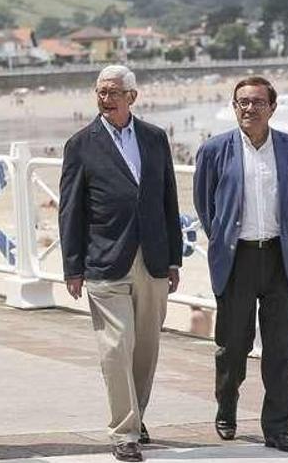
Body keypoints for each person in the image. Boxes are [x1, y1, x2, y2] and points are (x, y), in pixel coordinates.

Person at [58, 65, 183, 462]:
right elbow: (70, 209)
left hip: (153, 260)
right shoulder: (81, 144)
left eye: (113, 92)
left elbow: (169, 201)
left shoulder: (154, 138)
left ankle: (137, 416)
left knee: (145, 348)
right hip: (103, 261)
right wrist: (72, 266)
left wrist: (174, 259)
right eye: (100, 91)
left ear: (133, 96)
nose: (106, 98)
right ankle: (123, 432)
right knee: (115, 347)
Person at [192, 76, 288, 453]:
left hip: (279, 256)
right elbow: (205, 205)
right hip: (236, 258)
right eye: (242, 102)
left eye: (257, 102)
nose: (249, 108)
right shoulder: (214, 150)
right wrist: (225, 239)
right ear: (234, 107)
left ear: (272, 108)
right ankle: (226, 404)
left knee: (281, 349)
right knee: (232, 345)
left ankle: (278, 427)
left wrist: (284, 237)